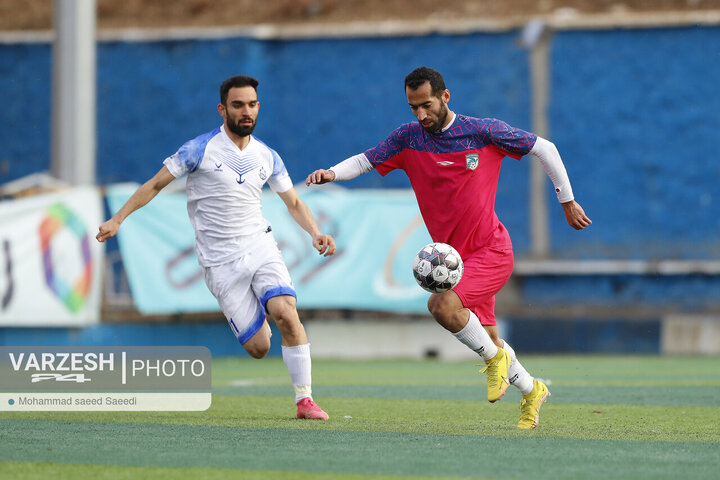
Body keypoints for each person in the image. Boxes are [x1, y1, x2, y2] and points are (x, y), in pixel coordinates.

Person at [306, 66, 591, 429]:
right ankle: (533, 389)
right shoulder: (408, 138)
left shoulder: (483, 131)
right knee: (486, 338)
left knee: (441, 304)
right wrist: (332, 172)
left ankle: (495, 363)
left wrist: (567, 201)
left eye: (426, 105)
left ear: (445, 96)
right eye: (413, 108)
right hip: (454, 261)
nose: (421, 115)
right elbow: (366, 160)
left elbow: (545, 148)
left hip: (491, 250)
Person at [97, 75, 336, 420]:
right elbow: (154, 185)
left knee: (286, 310)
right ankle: (258, 321)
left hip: (260, 244)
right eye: (238, 105)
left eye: (252, 104)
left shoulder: (267, 155)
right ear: (223, 109)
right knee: (259, 348)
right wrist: (118, 219)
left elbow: (294, 201)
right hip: (220, 262)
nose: (246, 112)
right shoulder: (198, 150)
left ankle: (305, 400)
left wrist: (315, 232)